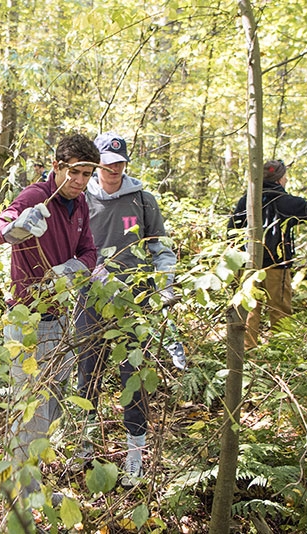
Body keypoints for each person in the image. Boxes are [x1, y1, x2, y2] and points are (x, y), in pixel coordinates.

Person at [0, 133, 99, 500]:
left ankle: (30, 485)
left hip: (60, 320)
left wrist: (74, 267)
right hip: (27, 321)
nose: (80, 181)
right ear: (57, 166)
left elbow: (90, 250)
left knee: (48, 407)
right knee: (28, 409)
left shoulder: (79, 206)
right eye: (75, 172)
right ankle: (22, 496)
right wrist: (11, 229)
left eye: (87, 174)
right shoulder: (36, 197)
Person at [74, 132, 177, 488]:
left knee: (133, 378)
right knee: (88, 373)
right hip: (90, 299)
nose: (113, 169)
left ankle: (136, 454)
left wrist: (166, 288)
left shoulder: (143, 201)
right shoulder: (80, 200)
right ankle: (85, 444)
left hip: (135, 302)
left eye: (119, 163)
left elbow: (161, 249)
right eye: (107, 162)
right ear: (96, 164)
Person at [227, 160, 307, 350]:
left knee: (248, 310)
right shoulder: (287, 202)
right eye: (284, 176)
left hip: (248, 265)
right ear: (279, 179)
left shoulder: (247, 199)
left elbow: (231, 230)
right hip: (277, 266)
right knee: (280, 311)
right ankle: (281, 354)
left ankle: (247, 354)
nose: (286, 179)